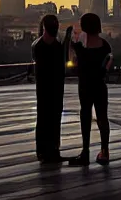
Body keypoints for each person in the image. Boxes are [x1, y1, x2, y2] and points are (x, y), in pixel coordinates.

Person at [68, 13, 113, 166]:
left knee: (85, 116)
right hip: (100, 85)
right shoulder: (106, 46)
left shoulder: (80, 49)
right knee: (102, 118)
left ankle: (85, 151)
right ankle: (105, 152)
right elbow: (108, 66)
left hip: (85, 86)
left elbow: (72, 63)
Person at [32, 14, 66, 163]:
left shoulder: (47, 45)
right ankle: (44, 150)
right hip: (46, 87)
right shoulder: (43, 46)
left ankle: (52, 149)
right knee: (46, 118)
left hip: (55, 87)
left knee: (52, 118)